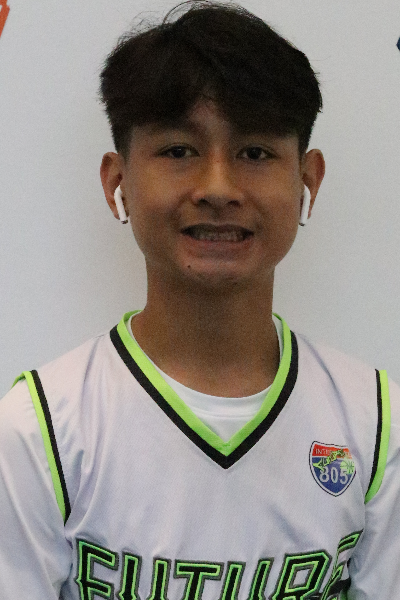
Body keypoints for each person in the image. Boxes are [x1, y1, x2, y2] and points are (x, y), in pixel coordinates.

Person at [1, 1, 399, 598]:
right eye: (179, 151)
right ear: (117, 180)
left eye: (255, 153)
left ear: (307, 180)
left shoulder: (375, 422)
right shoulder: (42, 429)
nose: (217, 188)